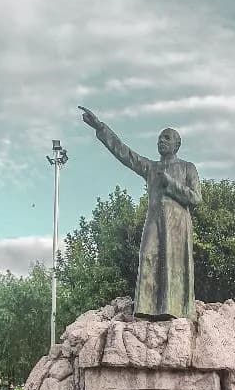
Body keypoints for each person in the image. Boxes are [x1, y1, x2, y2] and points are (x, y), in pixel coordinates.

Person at [78, 106, 201, 320]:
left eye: (167, 138)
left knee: (173, 263)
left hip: (178, 224)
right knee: (149, 256)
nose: (161, 141)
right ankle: (147, 308)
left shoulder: (187, 168)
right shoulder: (151, 168)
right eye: (160, 138)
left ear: (176, 145)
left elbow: (196, 198)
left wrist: (170, 184)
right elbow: (125, 154)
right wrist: (100, 128)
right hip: (154, 220)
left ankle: (173, 308)